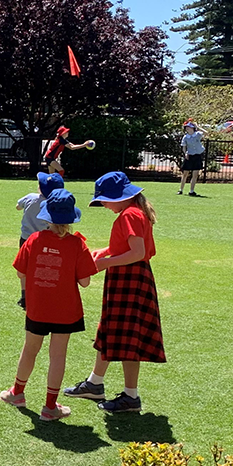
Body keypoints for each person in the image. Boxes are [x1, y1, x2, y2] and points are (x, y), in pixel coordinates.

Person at [63, 172, 164, 414]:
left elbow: (137, 252)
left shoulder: (130, 215)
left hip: (130, 279)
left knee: (128, 337)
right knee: (110, 330)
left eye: (105, 200)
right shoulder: (134, 212)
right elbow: (128, 245)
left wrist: (104, 263)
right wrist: (105, 251)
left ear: (120, 197)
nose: (104, 205)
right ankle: (94, 383)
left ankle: (131, 396)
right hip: (128, 278)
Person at [0, 189, 97, 421]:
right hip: (66, 310)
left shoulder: (34, 240)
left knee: (30, 349)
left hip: (38, 308)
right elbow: (85, 282)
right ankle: (50, 406)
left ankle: (17, 393)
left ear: (47, 216)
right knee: (58, 356)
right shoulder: (78, 244)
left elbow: (20, 272)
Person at [15, 172, 64, 308]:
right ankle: (42, 293)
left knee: (24, 267)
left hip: (26, 239)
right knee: (44, 266)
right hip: (45, 241)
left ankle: (24, 295)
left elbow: (18, 206)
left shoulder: (31, 197)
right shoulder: (53, 204)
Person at [178, 120, 205, 196]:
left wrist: (198, 126)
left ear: (192, 128)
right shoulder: (185, 137)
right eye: (186, 127)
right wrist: (185, 153)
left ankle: (191, 191)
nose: (187, 128)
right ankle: (181, 190)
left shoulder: (197, 134)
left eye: (189, 127)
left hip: (197, 156)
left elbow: (206, 133)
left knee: (195, 174)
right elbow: (184, 147)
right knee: (185, 174)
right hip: (189, 156)